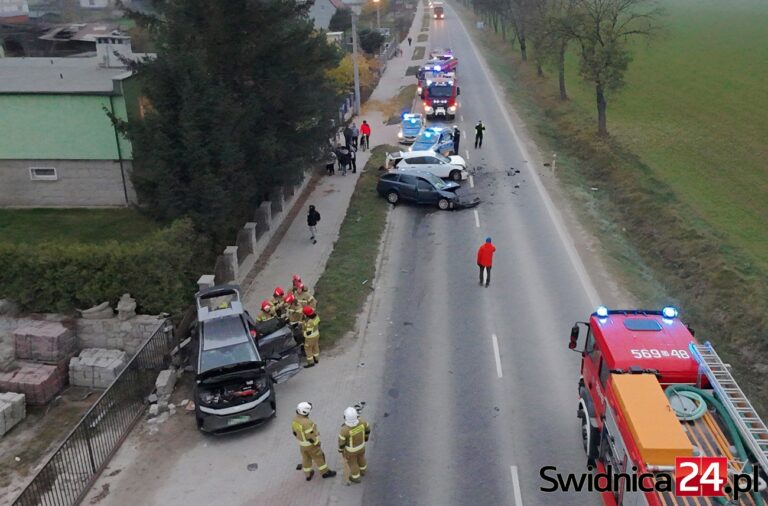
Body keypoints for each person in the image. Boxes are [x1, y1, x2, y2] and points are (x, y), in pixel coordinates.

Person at [292, 402, 337, 481]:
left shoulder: (295, 420)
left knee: (306, 459)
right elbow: (310, 437)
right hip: (311, 445)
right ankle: (325, 472)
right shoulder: (307, 423)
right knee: (319, 457)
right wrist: (317, 443)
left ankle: (308, 474)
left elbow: (294, 433)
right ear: (305, 412)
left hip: (302, 445)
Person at [338, 407, 371, 484]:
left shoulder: (344, 430)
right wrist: (366, 438)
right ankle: (363, 471)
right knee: (361, 458)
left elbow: (341, 443)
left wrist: (341, 450)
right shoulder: (363, 422)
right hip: (362, 447)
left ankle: (355, 477)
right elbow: (368, 429)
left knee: (353, 463)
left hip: (351, 450)